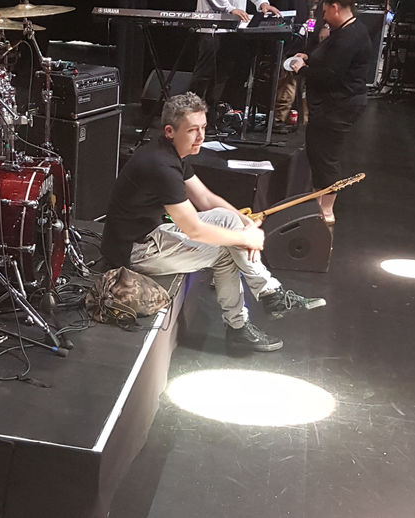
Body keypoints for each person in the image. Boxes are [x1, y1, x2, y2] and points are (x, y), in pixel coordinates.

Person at [101, 93, 325, 352]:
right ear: (170, 131)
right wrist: (245, 238)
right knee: (225, 252)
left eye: (203, 127)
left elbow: (206, 199)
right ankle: (246, 319)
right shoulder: (160, 165)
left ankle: (269, 295)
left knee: (228, 220)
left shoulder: (169, 151)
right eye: (192, 130)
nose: (200, 136)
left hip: (151, 235)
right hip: (134, 252)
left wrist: (245, 223)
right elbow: (193, 229)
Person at [288, 0, 371, 223]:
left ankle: (326, 211)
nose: (323, 17)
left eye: (325, 11)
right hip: (333, 104)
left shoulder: (350, 37)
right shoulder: (346, 31)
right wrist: (309, 57)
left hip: (339, 105)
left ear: (335, 7)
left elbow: (330, 75)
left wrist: (302, 70)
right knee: (319, 152)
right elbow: (326, 58)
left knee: (326, 156)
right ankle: (318, 205)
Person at [189, 0, 282, 128]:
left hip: (233, 27)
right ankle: (189, 116)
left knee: (222, 75)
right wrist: (230, 9)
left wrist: (262, 3)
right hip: (211, 26)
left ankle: (210, 119)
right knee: (204, 74)